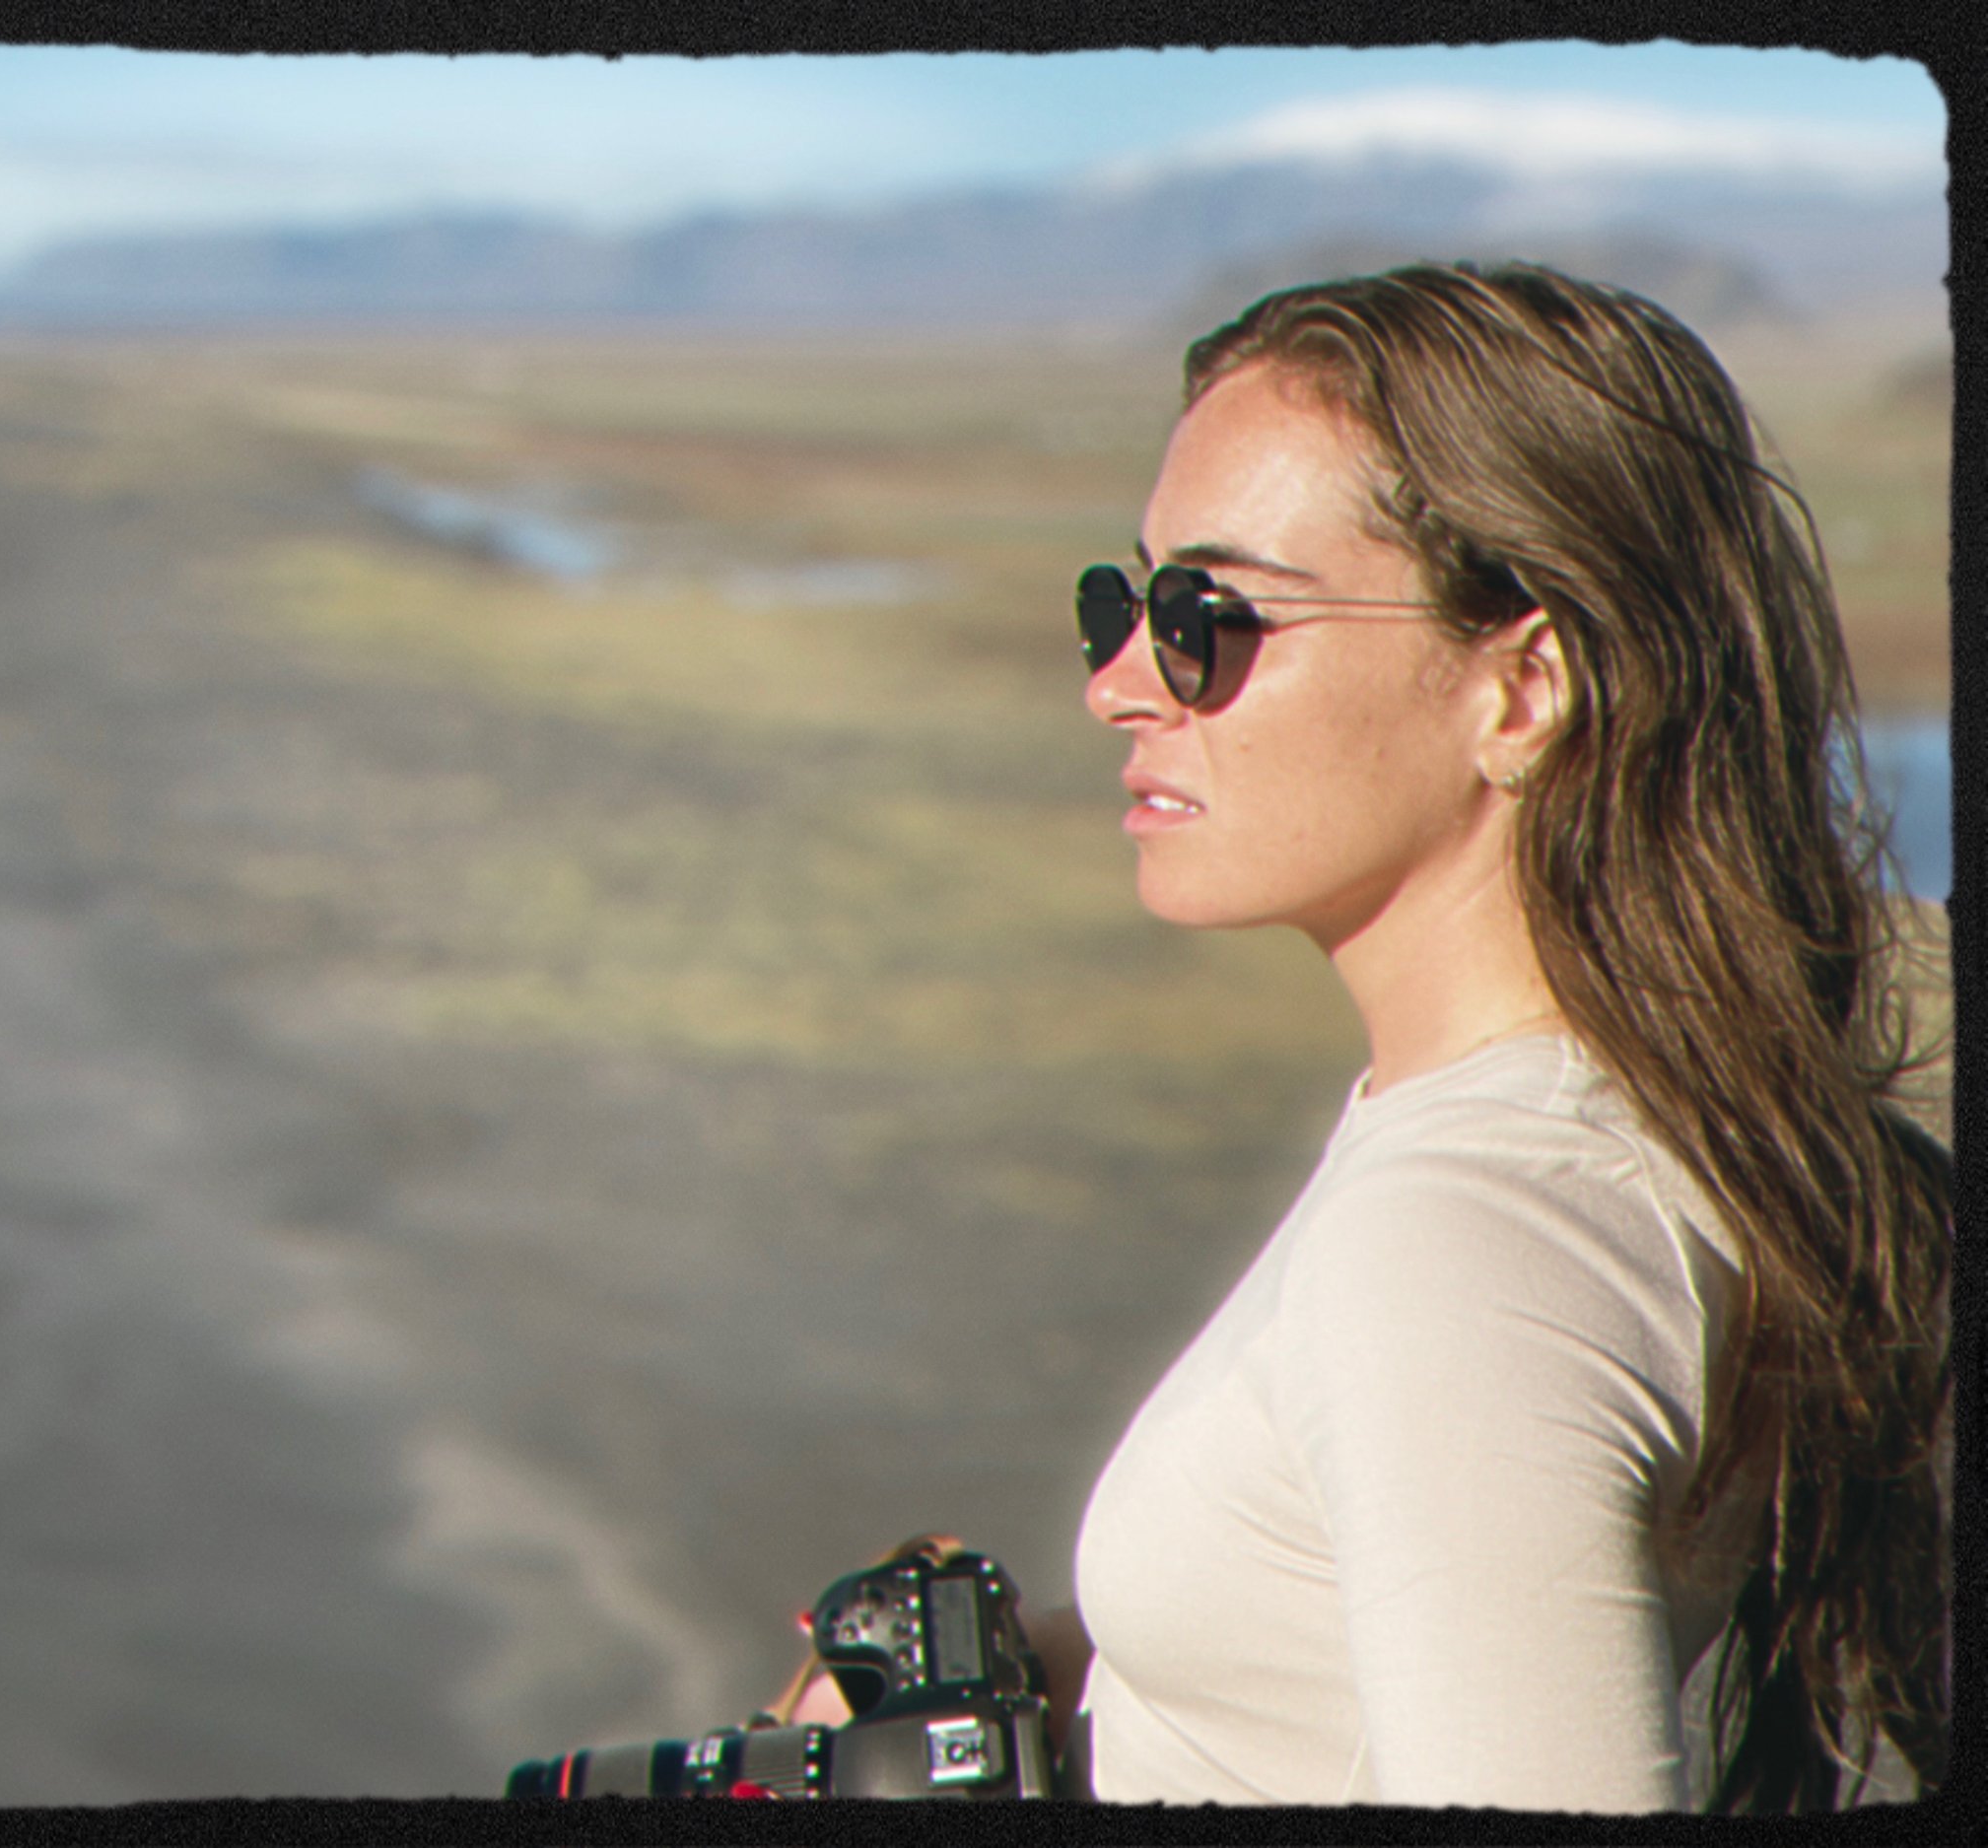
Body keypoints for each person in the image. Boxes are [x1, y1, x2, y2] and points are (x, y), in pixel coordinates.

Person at [784, 262, 1952, 1813]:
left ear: (1523, 688)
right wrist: (1017, 1680)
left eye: (1207, 617)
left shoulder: (1465, 1240)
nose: (1121, 687)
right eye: (1118, 605)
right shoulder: (1553, 1124)